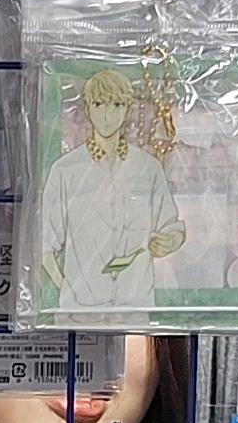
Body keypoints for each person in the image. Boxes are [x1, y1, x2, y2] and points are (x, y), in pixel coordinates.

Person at [31, 66, 185, 313]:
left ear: (127, 110)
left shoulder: (148, 167)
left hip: (136, 306)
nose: (107, 114)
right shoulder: (65, 170)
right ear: (87, 109)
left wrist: (168, 241)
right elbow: (45, 243)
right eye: (99, 104)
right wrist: (68, 289)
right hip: (79, 310)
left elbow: (171, 225)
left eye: (116, 105)